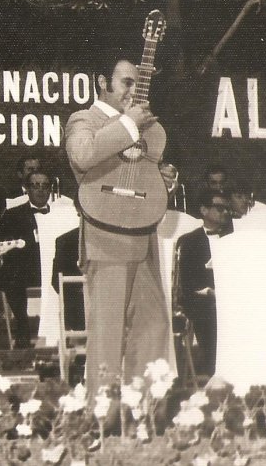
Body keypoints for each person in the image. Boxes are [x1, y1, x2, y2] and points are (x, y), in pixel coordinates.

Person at [64, 57, 170, 394]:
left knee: (154, 326)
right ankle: (101, 417)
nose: (133, 91)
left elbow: (143, 169)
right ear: (102, 82)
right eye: (126, 82)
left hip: (143, 237)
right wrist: (127, 124)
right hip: (106, 238)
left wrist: (162, 179)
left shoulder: (147, 126)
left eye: (138, 84)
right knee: (107, 334)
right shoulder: (85, 119)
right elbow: (82, 155)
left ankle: (143, 412)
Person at [0, 170, 53, 348]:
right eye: (35, 186)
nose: (41, 190)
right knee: (11, 273)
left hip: (53, 266)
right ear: (27, 189)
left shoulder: (61, 213)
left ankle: (68, 328)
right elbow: (5, 245)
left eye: (45, 186)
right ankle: (23, 327)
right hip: (27, 268)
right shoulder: (13, 215)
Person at [174, 187, 233, 377]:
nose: (225, 212)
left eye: (226, 208)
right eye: (219, 208)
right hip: (203, 301)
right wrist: (210, 292)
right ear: (204, 210)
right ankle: (214, 371)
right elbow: (188, 283)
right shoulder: (189, 241)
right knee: (211, 313)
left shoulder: (235, 237)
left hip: (231, 297)